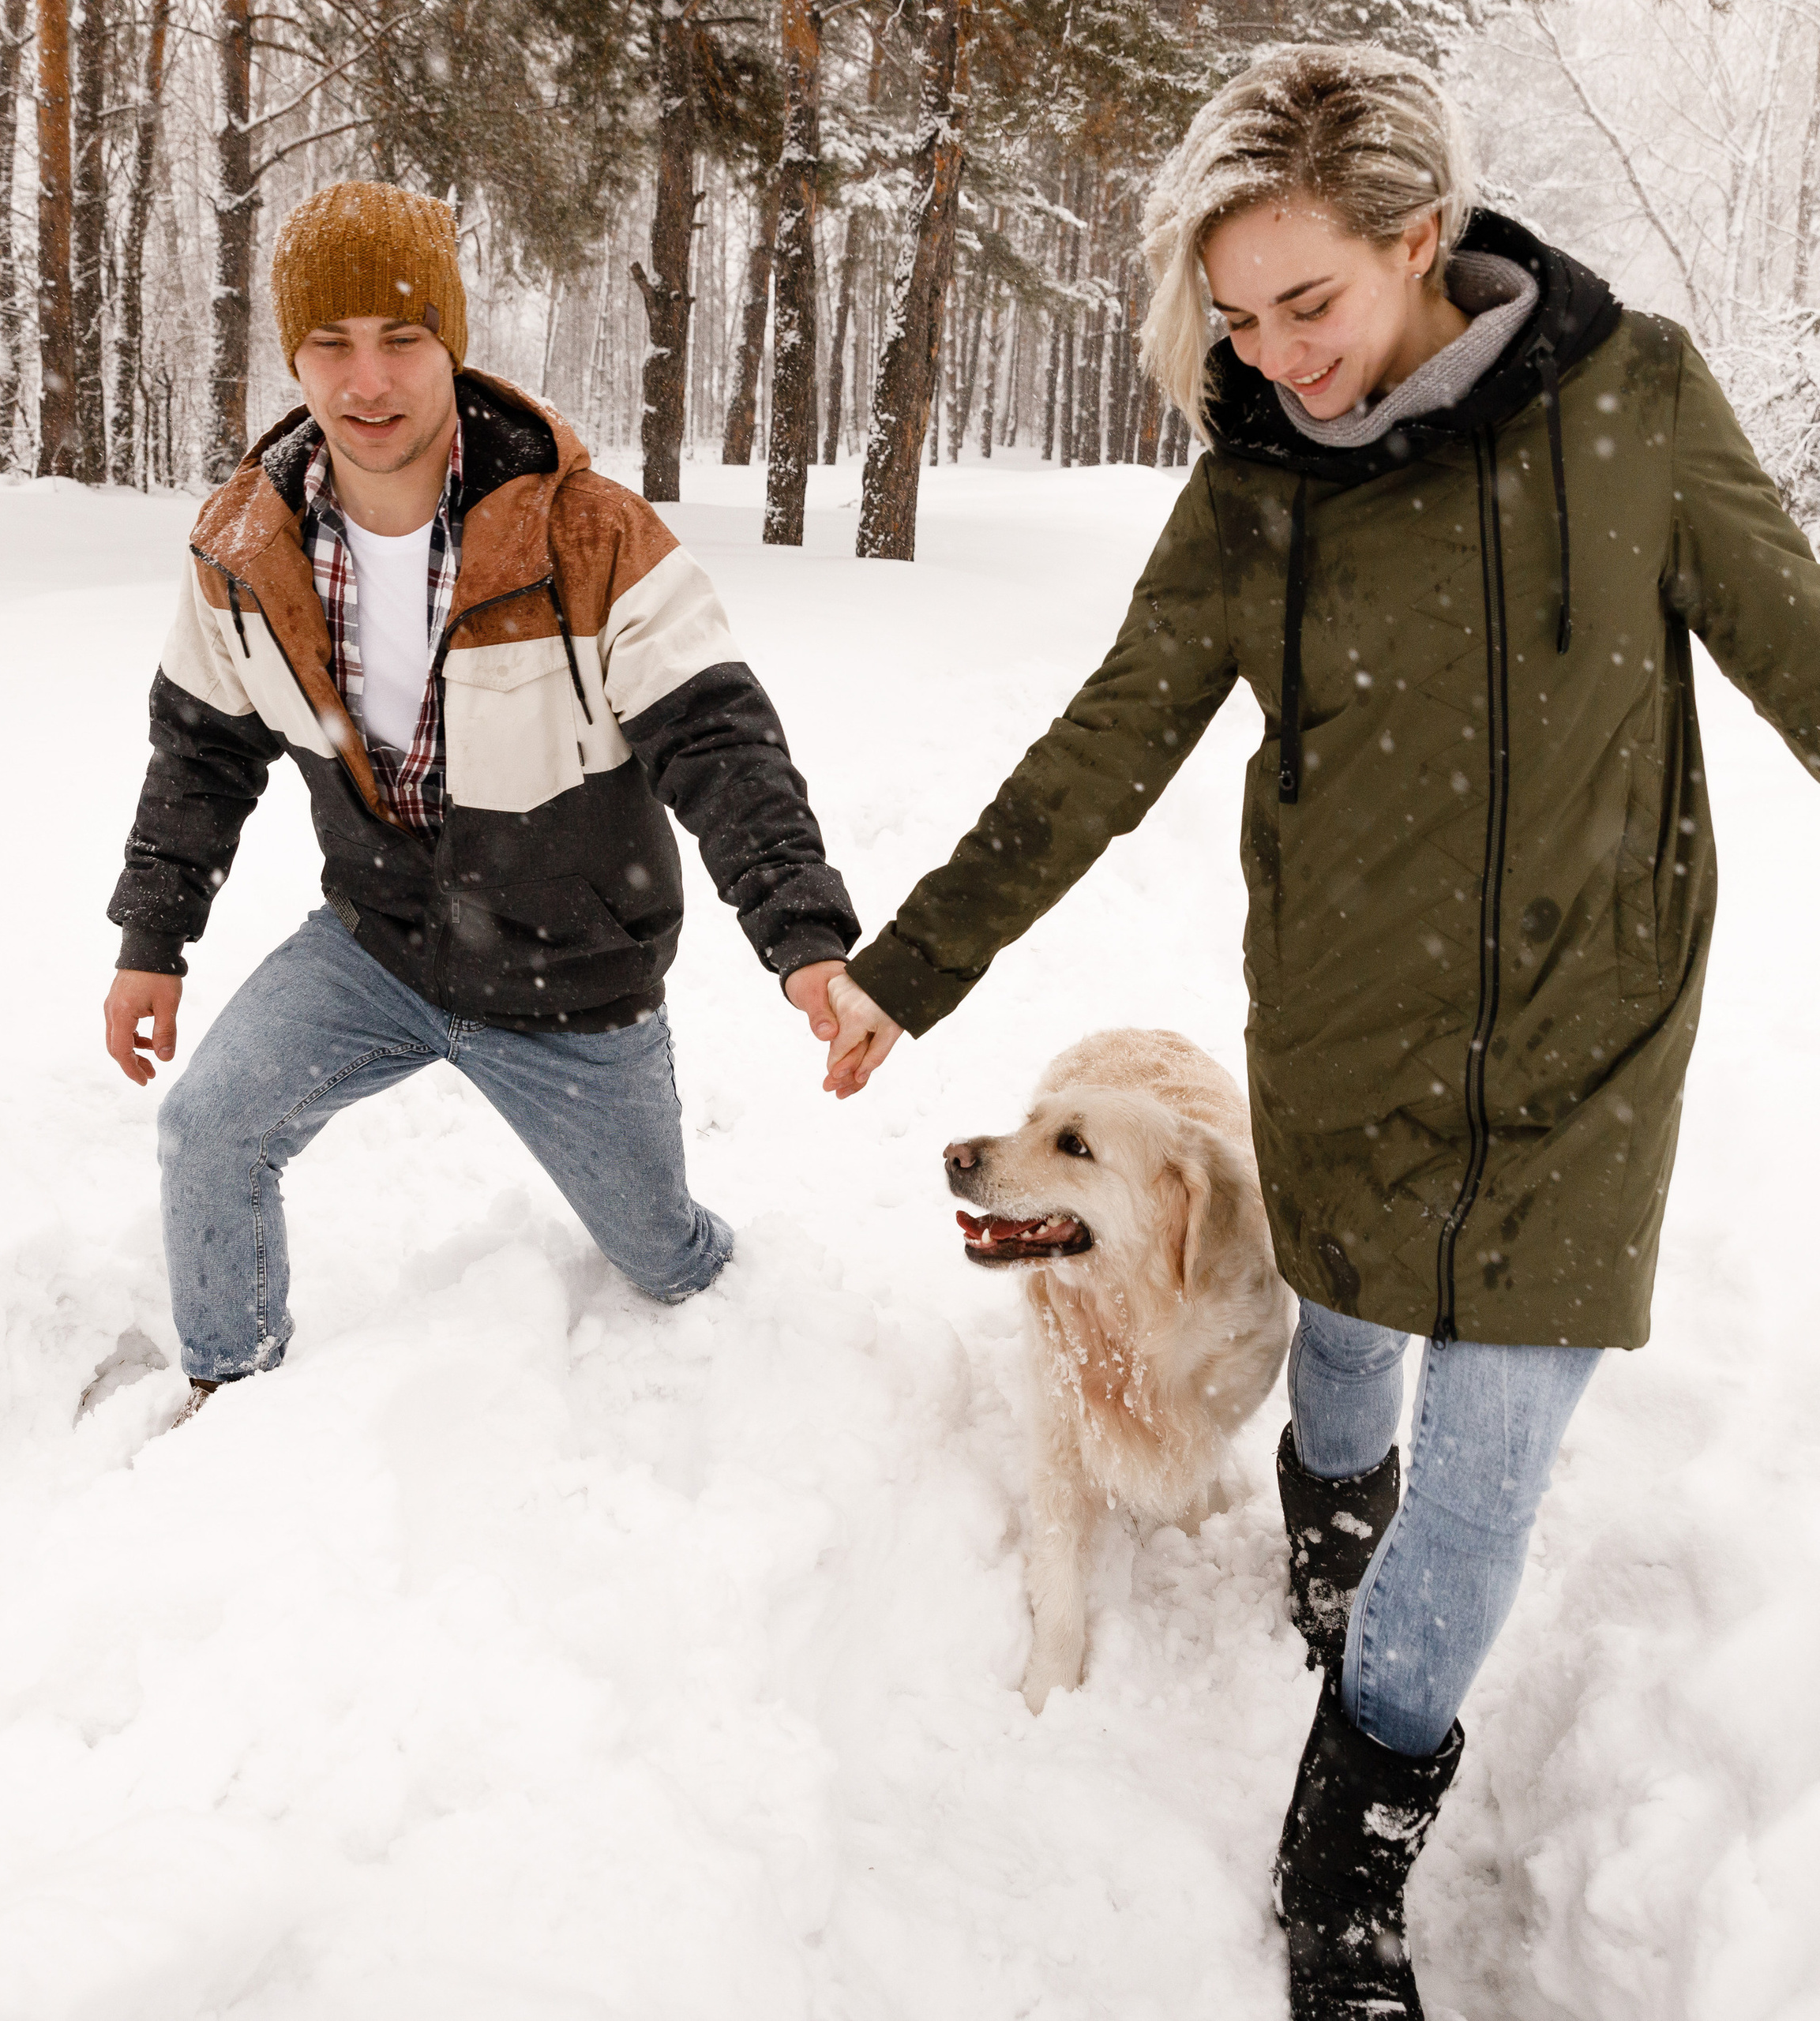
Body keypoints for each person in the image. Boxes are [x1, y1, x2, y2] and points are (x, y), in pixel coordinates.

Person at [814, 43, 1820, 2021]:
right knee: (1344, 1365)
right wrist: (904, 967)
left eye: (1313, 302)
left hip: (1581, 1061)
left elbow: (1804, 646)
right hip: (1346, 1051)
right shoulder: (1254, 494)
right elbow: (1104, 742)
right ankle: (1317, 1514)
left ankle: (1337, 1869)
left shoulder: (1632, 411)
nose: (1277, 355)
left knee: (1487, 1475)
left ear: (1421, 238)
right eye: (1235, 315)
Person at [105, 182, 857, 1425]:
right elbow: (198, 753)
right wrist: (152, 942)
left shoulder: (589, 534)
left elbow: (719, 741)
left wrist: (804, 939)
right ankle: (226, 1404)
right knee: (209, 1134)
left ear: (452, 343)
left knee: (665, 1262)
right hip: (377, 946)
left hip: (575, 978)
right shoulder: (246, 548)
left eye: (402, 338)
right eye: (331, 345)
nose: (369, 380)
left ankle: (764, 1332)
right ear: (293, 355)